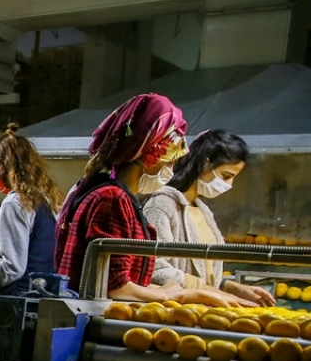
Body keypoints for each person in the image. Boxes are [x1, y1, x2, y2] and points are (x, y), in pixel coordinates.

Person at [55, 93, 217, 304]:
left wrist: (195, 293)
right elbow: (115, 287)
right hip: (93, 320)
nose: (170, 170)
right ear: (150, 158)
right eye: (169, 162)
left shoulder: (108, 192)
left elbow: (120, 280)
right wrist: (167, 294)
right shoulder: (112, 198)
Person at [144, 130, 275, 305]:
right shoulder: (162, 205)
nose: (229, 184)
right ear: (204, 163)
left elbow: (201, 272)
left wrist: (230, 287)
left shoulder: (202, 210)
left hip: (202, 311)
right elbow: (154, 268)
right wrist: (219, 295)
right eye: (226, 176)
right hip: (175, 312)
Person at [0, 124, 64, 296]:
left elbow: (12, 268)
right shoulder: (48, 200)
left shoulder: (15, 203)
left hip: (14, 304)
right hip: (40, 298)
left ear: (0, 168)